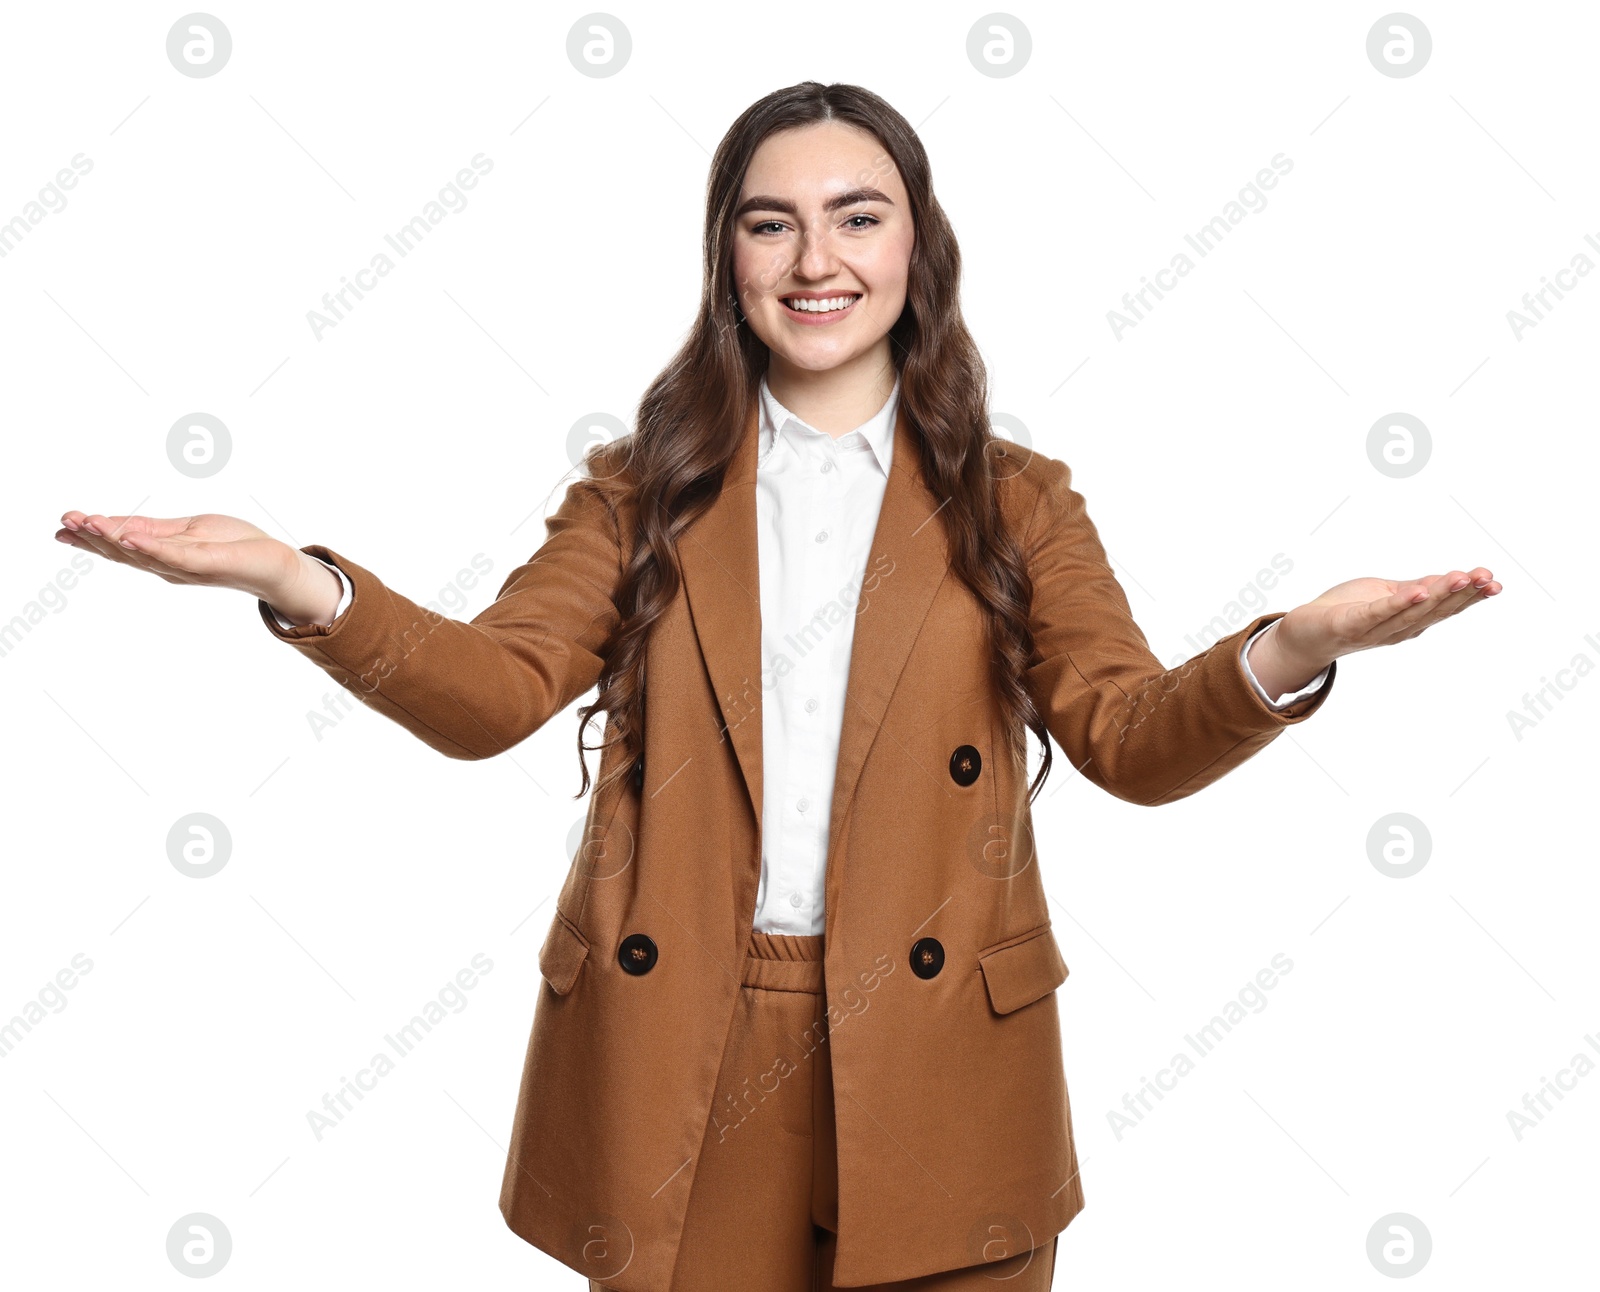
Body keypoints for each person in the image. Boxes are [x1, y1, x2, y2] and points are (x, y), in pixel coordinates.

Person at [56, 81, 1499, 1292]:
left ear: (918, 248)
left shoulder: (1018, 505)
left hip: (941, 1056)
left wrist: (1295, 648)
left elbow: (1126, 737)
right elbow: (495, 692)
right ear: (729, 258)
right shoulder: (643, 496)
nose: (817, 259)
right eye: (772, 222)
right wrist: (302, 584)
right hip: (686, 1036)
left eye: (857, 216)